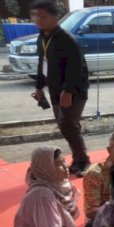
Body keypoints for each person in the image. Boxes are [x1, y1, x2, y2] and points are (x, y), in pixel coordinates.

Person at [31, 0, 90, 177]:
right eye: (36, 15)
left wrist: (68, 90)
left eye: (43, 16)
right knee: (64, 126)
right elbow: (43, 63)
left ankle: (83, 161)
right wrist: (39, 86)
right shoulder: (42, 37)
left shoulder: (67, 39)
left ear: (55, 18)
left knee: (68, 124)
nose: (38, 20)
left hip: (74, 90)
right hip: (56, 89)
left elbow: (76, 67)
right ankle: (78, 158)